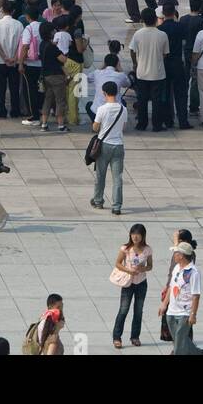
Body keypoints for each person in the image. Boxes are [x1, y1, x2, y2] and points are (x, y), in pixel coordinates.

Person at [158, 240, 203, 355]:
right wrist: (164, 304)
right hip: (172, 311)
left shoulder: (193, 272)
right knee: (180, 340)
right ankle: (197, 353)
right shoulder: (177, 268)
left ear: (181, 256)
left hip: (185, 312)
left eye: (175, 253)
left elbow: (196, 295)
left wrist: (193, 314)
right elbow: (171, 286)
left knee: (179, 344)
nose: (174, 255)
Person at [111, 222, 152, 349]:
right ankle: (117, 337)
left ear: (143, 236)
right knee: (123, 310)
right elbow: (117, 263)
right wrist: (129, 270)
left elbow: (150, 266)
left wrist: (143, 268)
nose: (135, 237)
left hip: (141, 283)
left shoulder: (147, 249)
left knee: (138, 311)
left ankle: (135, 337)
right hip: (128, 282)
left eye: (138, 234)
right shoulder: (125, 248)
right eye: (133, 234)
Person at [91, 79, 127, 213]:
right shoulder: (123, 109)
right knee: (117, 177)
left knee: (100, 175)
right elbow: (123, 127)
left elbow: (95, 127)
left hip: (104, 145)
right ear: (117, 92)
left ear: (104, 93)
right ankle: (117, 206)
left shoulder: (102, 109)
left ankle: (98, 200)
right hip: (118, 145)